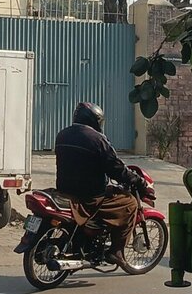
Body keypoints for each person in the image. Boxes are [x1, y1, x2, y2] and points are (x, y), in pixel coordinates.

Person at [55, 102, 150, 272]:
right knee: (129, 203)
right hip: (90, 195)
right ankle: (116, 252)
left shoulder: (62, 134)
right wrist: (136, 180)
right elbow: (115, 167)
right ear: (96, 120)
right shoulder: (97, 139)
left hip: (64, 190)